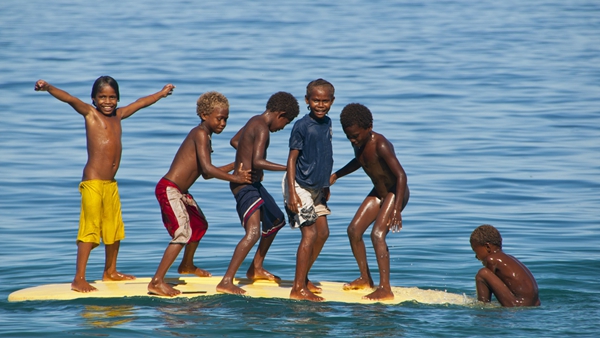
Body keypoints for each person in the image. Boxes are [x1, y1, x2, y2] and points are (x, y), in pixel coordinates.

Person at [34, 76, 175, 293]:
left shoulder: (119, 115)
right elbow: (69, 99)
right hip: (93, 182)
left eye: (112, 97)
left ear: (117, 99)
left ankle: (110, 270)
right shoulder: (90, 114)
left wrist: (161, 93)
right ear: (93, 99)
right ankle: (79, 278)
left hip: (110, 184)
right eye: (102, 97)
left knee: (114, 228)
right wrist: (48, 87)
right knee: (90, 229)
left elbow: (141, 102)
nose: (107, 101)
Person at [148, 92, 253, 297]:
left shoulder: (206, 136)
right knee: (182, 233)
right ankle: (156, 281)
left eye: (226, 119)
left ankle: (186, 265)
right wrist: (237, 178)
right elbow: (208, 169)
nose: (223, 123)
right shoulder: (200, 134)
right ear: (204, 115)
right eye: (219, 118)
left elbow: (205, 173)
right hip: (169, 189)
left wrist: (237, 163)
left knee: (199, 225)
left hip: (181, 191)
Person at [216, 91, 300, 295]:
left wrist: (244, 160)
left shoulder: (253, 120)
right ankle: (226, 281)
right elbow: (257, 161)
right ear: (280, 114)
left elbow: (235, 141)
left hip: (252, 184)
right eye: (285, 123)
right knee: (253, 232)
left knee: (277, 220)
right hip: (244, 186)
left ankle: (256, 268)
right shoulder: (263, 128)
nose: (282, 128)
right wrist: (289, 168)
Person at [329, 103, 409, 301]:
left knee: (377, 234)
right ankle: (366, 279)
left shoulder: (380, 144)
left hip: (394, 192)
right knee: (354, 231)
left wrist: (397, 209)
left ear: (369, 127)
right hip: (379, 192)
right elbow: (360, 161)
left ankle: (385, 288)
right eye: (349, 137)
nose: (353, 140)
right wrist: (337, 175)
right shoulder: (358, 143)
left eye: (356, 135)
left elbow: (401, 176)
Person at [283, 79, 335, 301]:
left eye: (325, 101)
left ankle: (303, 278)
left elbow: (325, 154)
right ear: (307, 100)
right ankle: (297, 288)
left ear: (332, 101)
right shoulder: (302, 126)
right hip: (298, 185)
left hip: (317, 188)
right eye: (315, 100)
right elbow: (292, 159)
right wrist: (292, 193)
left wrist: (324, 185)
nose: (320, 105)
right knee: (310, 232)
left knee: (323, 233)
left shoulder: (328, 123)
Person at [470, 224, 541, 307]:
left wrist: (482, 302)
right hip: (535, 304)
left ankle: (482, 306)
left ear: (487, 247)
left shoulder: (491, 259)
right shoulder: (509, 258)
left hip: (517, 304)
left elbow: (486, 284)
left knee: (482, 274)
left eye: (475, 251)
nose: (476, 256)